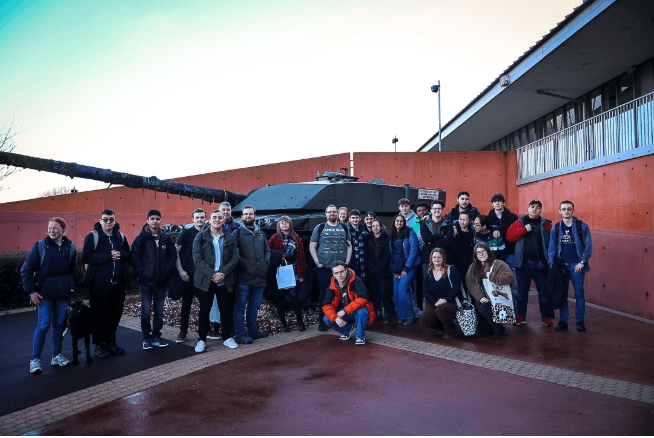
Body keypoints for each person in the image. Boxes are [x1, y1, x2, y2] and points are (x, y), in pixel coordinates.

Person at [22, 217, 76, 373]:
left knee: (59, 324)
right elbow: (26, 270)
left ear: (63, 230)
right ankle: (35, 360)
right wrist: (32, 291)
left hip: (63, 294)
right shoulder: (40, 246)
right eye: (50, 228)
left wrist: (71, 290)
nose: (52, 231)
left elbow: (72, 272)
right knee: (44, 324)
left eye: (56, 228)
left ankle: (57, 355)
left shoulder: (70, 247)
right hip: (44, 294)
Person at [82, 209, 130, 358]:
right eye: (105, 219)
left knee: (115, 315)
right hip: (98, 284)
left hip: (118, 283)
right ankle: (99, 344)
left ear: (115, 221)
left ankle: (111, 342)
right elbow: (87, 257)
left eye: (111, 219)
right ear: (100, 220)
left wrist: (121, 255)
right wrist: (108, 256)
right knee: (99, 315)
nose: (108, 222)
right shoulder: (92, 237)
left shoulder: (120, 237)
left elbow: (128, 255)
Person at [192, 210, 240, 352]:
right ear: (209, 220)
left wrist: (222, 273)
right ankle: (201, 339)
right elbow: (197, 259)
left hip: (224, 280)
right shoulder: (200, 237)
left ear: (223, 220)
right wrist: (213, 274)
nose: (217, 220)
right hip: (206, 280)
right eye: (214, 218)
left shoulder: (230, 238)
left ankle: (227, 337)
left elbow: (235, 258)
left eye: (220, 218)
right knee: (204, 311)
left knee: (225, 309)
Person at [131, 210, 178, 350]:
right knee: (145, 312)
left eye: (158, 219)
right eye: (152, 218)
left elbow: (173, 255)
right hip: (146, 282)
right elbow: (134, 257)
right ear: (147, 220)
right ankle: (146, 338)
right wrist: (143, 272)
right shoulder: (140, 239)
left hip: (161, 282)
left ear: (160, 220)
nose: (155, 221)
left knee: (159, 312)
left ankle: (157, 336)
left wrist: (167, 270)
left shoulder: (165, 238)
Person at [506, 200, 554, 327]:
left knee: (544, 292)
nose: (534, 209)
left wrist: (548, 261)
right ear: (527, 208)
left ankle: (546, 317)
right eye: (532, 207)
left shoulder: (546, 225)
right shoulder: (520, 222)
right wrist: (523, 230)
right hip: (523, 264)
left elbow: (552, 243)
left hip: (540, 265)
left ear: (541, 210)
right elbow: (509, 236)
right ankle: (521, 316)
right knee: (522, 292)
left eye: (538, 208)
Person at [548, 200, 593, 332]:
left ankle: (580, 321)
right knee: (562, 295)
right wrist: (552, 264)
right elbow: (551, 248)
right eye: (564, 209)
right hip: (561, 267)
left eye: (569, 209)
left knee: (579, 295)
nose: (566, 211)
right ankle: (563, 320)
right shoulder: (556, 228)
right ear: (559, 211)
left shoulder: (582, 226)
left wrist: (582, 262)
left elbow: (588, 247)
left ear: (573, 210)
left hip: (576, 266)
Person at [310, 205, 352, 331]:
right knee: (324, 295)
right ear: (326, 214)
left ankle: (341, 320)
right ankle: (323, 321)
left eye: (334, 212)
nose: (332, 214)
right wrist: (317, 262)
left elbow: (349, 245)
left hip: (341, 269)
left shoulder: (344, 227)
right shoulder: (320, 227)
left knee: (343, 294)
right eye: (330, 212)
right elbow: (312, 245)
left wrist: (347, 261)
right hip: (325, 268)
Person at [232, 205, 271, 344]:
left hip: (260, 276)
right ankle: (240, 334)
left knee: (254, 306)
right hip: (244, 276)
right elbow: (234, 254)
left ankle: (253, 332)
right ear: (242, 217)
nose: (248, 216)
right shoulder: (236, 234)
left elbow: (267, 250)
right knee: (240, 306)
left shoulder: (260, 233)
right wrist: (246, 264)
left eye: (251, 214)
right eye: (246, 214)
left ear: (255, 216)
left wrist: (266, 262)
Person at [465, 243, 515, 338]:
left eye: (483, 251)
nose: (481, 254)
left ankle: (499, 328)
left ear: (488, 251)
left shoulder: (498, 263)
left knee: (484, 308)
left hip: (496, 300)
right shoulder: (473, 267)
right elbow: (469, 282)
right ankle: (494, 324)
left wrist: (492, 276)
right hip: (482, 300)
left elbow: (510, 277)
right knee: (485, 331)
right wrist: (480, 297)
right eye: (478, 252)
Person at [268, 216, 307, 332]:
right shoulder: (275, 238)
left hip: (292, 270)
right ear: (278, 225)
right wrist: (278, 255)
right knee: (279, 297)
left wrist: (301, 274)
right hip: (279, 271)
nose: (284, 225)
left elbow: (301, 257)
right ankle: (283, 324)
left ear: (290, 224)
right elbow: (267, 250)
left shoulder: (296, 238)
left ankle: (300, 322)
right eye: (282, 223)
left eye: (287, 223)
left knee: (294, 297)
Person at [322, 262, 375, 346]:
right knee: (327, 318)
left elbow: (363, 298)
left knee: (362, 312)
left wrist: (345, 310)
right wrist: (336, 318)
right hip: (343, 313)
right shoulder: (332, 285)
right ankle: (348, 330)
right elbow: (326, 305)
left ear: (346, 270)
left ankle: (360, 336)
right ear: (333, 274)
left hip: (355, 311)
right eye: (336, 273)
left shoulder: (355, 280)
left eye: (341, 271)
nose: (339, 275)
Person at [174, 208, 206, 343]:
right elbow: (176, 252)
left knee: (205, 305)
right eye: (197, 217)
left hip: (204, 276)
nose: (200, 220)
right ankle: (183, 331)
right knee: (186, 304)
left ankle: (204, 331)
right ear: (192, 219)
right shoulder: (185, 233)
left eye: (202, 217)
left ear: (205, 219)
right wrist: (181, 271)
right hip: (188, 275)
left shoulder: (209, 233)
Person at [421, 248, 461, 340]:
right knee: (425, 320)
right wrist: (434, 303)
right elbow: (426, 292)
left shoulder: (451, 269)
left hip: (451, 300)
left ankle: (452, 330)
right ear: (431, 259)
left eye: (439, 257)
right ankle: (443, 327)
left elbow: (456, 288)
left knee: (441, 310)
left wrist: (445, 299)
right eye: (434, 257)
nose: (436, 259)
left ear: (443, 258)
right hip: (436, 301)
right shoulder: (428, 273)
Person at [389, 214, 421, 325]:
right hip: (396, 268)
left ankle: (410, 315)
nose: (399, 223)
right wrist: (393, 270)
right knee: (397, 292)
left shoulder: (410, 232)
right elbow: (390, 254)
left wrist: (406, 268)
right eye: (397, 221)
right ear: (394, 222)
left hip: (409, 266)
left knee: (403, 289)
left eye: (401, 221)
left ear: (404, 222)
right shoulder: (392, 234)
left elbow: (414, 251)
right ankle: (401, 316)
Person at [364, 219, 392, 323]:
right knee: (375, 292)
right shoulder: (367, 239)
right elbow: (366, 255)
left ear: (381, 227)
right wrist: (372, 268)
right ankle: (378, 312)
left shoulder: (387, 238)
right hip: (371, 271)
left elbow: (387, 256)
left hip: (383, 271)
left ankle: (388, 314)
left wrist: (378, 268)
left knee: (384, 292)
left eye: (377, 226)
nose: (375, 228)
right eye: (373, 226)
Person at [452, 211, 475, 289]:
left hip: (468, 261)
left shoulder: (472, 232)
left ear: (470, 221)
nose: (461, 222)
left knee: (468, 283)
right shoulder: (454, 230)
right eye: (460, 219)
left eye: (464, 220)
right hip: (455, 261)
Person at [347, 209, 370, 281]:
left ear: (360, 218)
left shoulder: (365, 233)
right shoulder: (346, 232)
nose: (355, 220)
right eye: (353, 218)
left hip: (363, 264)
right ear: (349, 219)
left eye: (357, 217)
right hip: (351, 263)